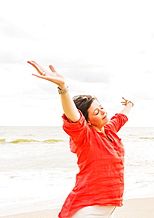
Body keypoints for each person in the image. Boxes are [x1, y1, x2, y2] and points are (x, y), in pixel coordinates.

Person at [27, 61, 134, 218]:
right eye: (96, 112)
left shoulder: (110, 131)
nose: (103, 112)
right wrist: (63, 88)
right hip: (87, 208)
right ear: (88, 120)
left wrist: (130, 105)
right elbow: (74, 117)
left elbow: (121, 117)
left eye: (101, 107)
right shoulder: (86, 136)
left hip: (106, 207)